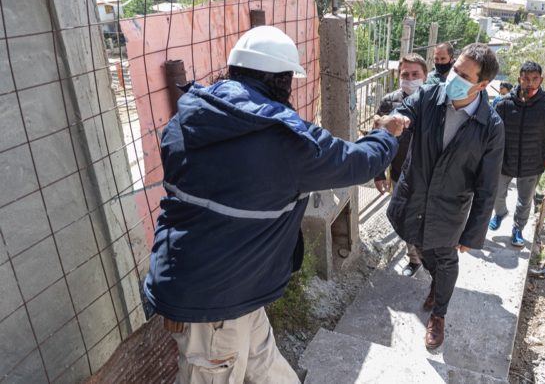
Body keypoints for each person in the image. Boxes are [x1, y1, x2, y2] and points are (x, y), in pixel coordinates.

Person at [144, 26, 408, 384]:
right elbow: (359, 162)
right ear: (281, 80)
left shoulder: (188, 117)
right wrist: (386, 134)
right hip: (214, 303)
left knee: (265, 366)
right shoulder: (285, 141)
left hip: (215, 282)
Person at [387, 43, 505, 349]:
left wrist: (473, 231)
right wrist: (397, 119)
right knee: (418, 244)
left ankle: (438, 314)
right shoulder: (430, 96)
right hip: (415, 196)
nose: (454, 77)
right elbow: (405, 109)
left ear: (482, 84)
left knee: (445, 258)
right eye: (455, 69)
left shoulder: (490, 126)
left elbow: (488, 185)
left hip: (450, 207)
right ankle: (437, 286)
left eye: (463, 75)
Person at [489, 61, 545, 247]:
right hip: (504, 161)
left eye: (535, 79)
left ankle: (518, 229)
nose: (530, 83)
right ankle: (500, 213)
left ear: (541, 79)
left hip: (533, 162)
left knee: (525, 200)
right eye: (526, 79)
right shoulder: (503, 103)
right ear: (519, 79)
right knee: (497, 194)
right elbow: (491, 133)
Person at [375, 53, 428, 277]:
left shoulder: (435, 102)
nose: (410, 78)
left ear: (426, 76)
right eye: (405, 74)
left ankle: (432, 263)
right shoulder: (389, 102)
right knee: (405, 219)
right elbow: (377, 138)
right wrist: (379, 173)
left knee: (427, 222)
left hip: (429, 176)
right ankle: (414, 259)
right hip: (399, 175)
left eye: (415, 74)